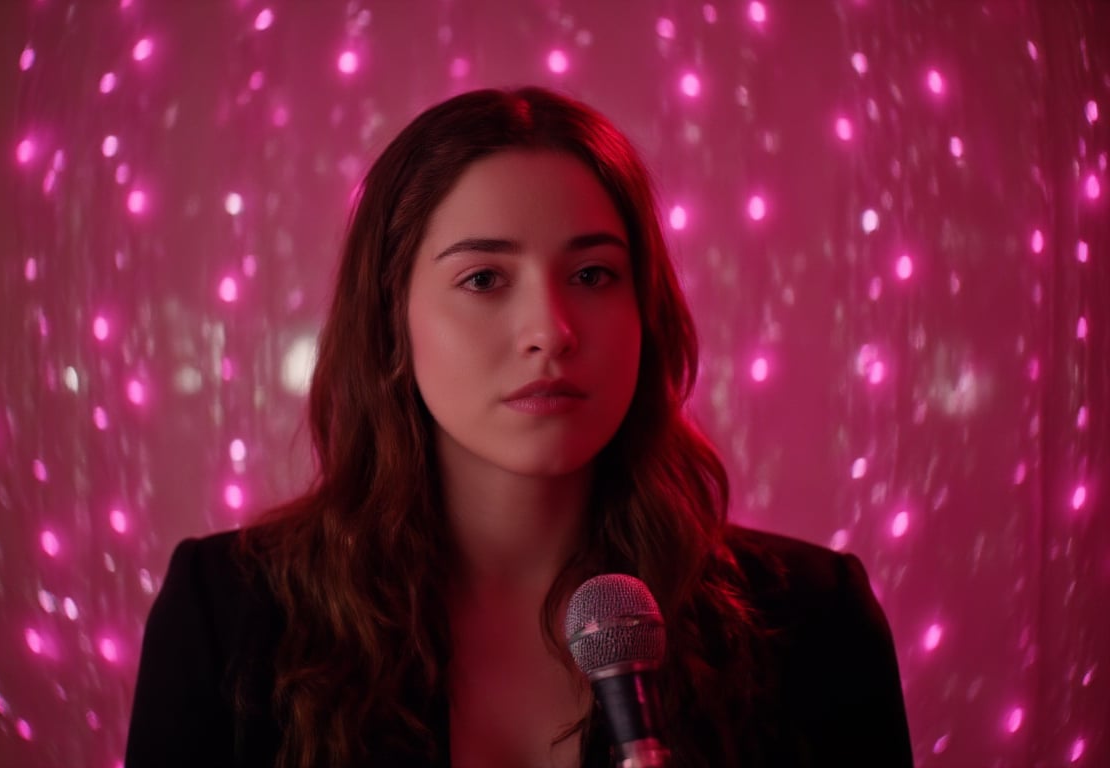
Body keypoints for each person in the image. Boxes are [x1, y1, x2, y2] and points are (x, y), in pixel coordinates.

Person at [125, 86, 913, 768]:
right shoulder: (229, 617)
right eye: (483, 278)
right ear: (391, 324)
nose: (551, 328)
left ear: (647, 311)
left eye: (593, 274)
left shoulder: (813, 625)